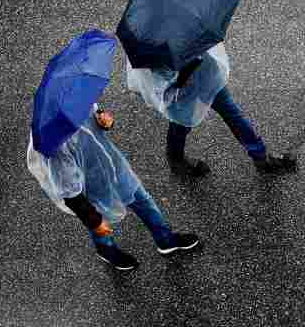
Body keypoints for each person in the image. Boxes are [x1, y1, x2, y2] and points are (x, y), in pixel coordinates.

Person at [27, 104, 201, 271]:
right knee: (99, 217)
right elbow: (72, 194)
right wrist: (95, 222)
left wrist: (104, 120)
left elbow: (97, 115)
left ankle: (165, 238)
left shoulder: (78, 102)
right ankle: (106, 248)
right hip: (92, 184)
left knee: (143, 200)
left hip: (114, 167)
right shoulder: (54, 145)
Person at [124, 43, 296, 176]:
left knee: (231, 113)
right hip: (186, 90)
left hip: (206, 75)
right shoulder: (146, 45)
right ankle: (176, 158)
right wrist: (184, 72)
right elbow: (158, 82)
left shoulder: (179, 20)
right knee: (182, 123)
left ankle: (260, 156)